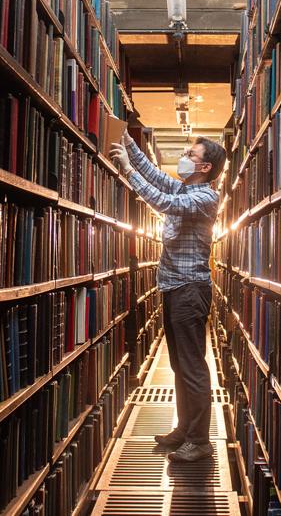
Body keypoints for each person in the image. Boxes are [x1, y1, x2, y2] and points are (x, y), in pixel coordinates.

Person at [109, 132, 226, 463]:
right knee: (178, 365)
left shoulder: (205, 197)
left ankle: (200, 441)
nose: (184, 156)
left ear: (204, 166)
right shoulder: (188, 187)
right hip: (175, 287)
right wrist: (127, 142)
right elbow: (156, 176)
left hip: (190, 290)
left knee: (192, 368)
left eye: (191, 153)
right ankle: (185, 428)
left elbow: (165, 202)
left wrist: (129, 171)